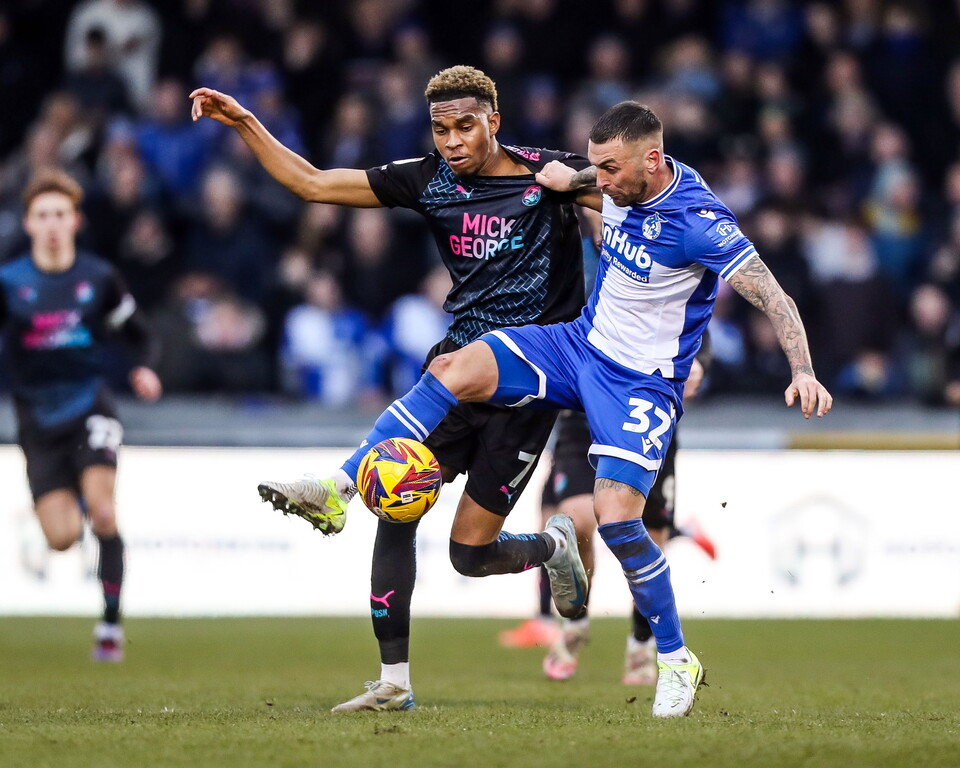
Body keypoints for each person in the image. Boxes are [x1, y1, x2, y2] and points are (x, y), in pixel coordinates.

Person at [254, 100, 834, 718]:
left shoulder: (699, 221)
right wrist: (573, 178)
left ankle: (673, 658)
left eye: (610, 171)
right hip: (576, 343)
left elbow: (772, 293)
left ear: (652, 160)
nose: (601, 184)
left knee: (616, 522)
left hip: (639, 384)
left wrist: (802, 370)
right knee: (452, 367)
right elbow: (589, 179)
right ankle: (339, 486)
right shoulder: (614, 180)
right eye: (597, 170)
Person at [191, 66, 595, 712]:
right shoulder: (428, 180)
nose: (454, 141)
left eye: (466, 125)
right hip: (458, 371)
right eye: (441, 129)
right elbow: (313, 183)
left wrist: (577, 184)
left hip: (529, 387)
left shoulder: (547, 173)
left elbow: (638, 187)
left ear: (495, 120)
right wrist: (244, 123)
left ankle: (551, 545)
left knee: (470, 554)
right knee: (396, 497)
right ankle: (394, 682)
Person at [0, 169, 162, 661]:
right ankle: (73, 490)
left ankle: (110, 627)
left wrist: (145, 369)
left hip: (90, 403)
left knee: (105, 511)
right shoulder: (10, 283)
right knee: (63, 538)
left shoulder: (97, 279)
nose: (51, 224)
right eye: (42, 215)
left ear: (75, 221)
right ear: (28, 224)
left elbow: (141, 334)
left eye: (60, 214)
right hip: (36, 417)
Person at [503, 347, 717, 689]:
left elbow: (694, 327)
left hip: (648, 414)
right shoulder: (586, 292)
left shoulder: (667, 293)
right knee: (577, 522)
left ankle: (641, 644)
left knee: (649, 537)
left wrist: (699, 366)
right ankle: (576, 621)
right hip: (584, 412)